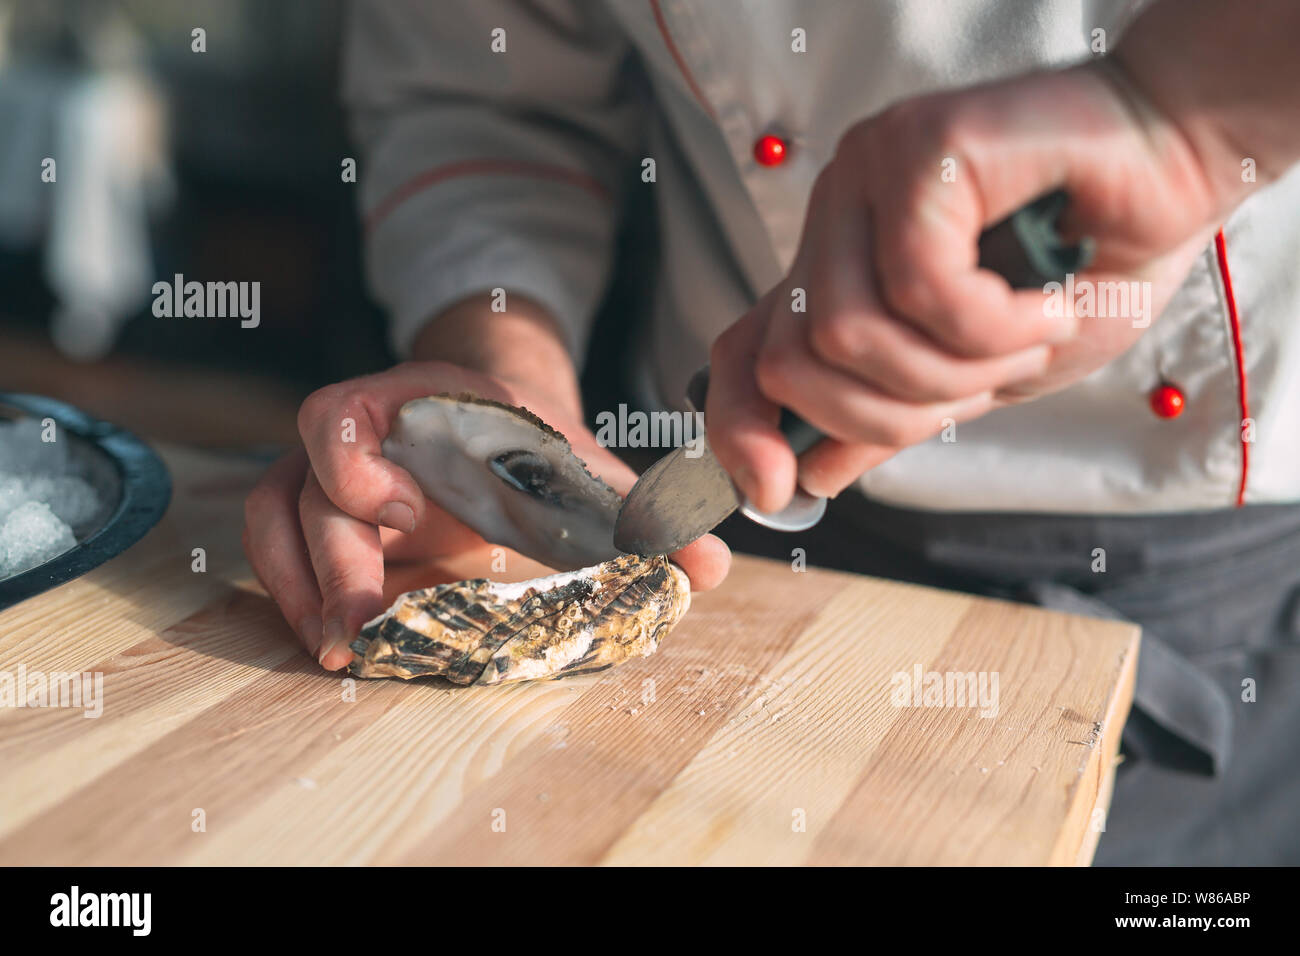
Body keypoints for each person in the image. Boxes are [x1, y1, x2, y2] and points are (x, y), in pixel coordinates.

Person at [242, 0, 1300, 864]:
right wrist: (498, 401)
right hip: (751, 578)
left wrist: (1172, 119)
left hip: (1209, 596)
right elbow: (484, 95)